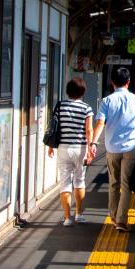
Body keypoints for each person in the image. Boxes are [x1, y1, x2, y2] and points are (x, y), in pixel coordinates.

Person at [92, 66, 135, 231]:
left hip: (112, 148)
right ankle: (122, 221)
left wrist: (93, 143)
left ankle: (114, 216)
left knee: (113, 183)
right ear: (128, 82)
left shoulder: (106, 101)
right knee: (126, 185)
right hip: (131, 147)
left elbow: (100, 123)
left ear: (112, 83)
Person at [48, 77, 95, 227]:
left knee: (65, 182)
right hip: (80, 148)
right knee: (79, 181)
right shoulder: (87, 108)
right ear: (83, 92)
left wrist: (50, 146)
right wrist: (89, 149)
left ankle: (67, 218)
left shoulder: (60, 105)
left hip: (63, 147)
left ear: (68, 91)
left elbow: (53, 127)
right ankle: (79, 214)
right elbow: (88, 130)